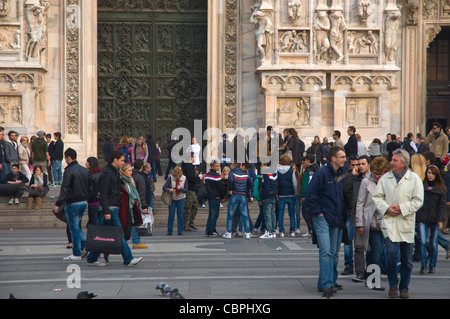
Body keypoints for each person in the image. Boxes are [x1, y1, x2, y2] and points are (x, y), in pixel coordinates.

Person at [372, 149, 424, 298]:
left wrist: (402, 208)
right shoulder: (385, 178)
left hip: (406, 222)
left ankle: (404, 287)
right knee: (391, 253)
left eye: (395, 161)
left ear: (403, 163)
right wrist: (387, 208)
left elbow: (418, 200)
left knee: (407, 259)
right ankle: (393, 284)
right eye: (392, 160)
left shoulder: (414, 179)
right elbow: (377, 198)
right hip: (390, 222)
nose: (391, 163)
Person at [304, 146, 348, 298]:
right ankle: (327, 284)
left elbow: (342, 196)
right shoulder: (322, 173)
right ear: (333, 159)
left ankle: (326, 281)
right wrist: (319, 213)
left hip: (336, 218)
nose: (345, 159)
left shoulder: (341, 173)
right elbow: (310, 195)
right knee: (326, 252)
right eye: (342, 157)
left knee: (334, 253)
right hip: (323, 217)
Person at [86, 150, 143, 267]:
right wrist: (106, 210)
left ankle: (92, 257)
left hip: (111, 207)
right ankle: (128, 258)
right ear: (115, 160)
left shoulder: (113, 173)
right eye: (122, 160)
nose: (123, 163)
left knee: (101, 234)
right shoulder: (108, 174)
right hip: (110, 208)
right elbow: (103, 193)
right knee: (119, 233)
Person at [354, 156, 390, 288]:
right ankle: (374, 280)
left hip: (385, 221)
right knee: (376, 251)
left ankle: (369, 278)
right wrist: (360, 224)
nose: (376, 176)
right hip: (371, 222)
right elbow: (360, 203)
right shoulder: (366, 182)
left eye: (379, 174)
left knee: (372, 251)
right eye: (374, 173)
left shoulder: (389, 181)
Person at [54, 148, 92, 261]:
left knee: (74, 228)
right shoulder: (84, 170)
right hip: (83, 202)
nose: (65, 160)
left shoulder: (69, 170)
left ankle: (76, 253)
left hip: (73, 202)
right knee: (77, 227)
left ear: (68, 157)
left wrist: (58, 203)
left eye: (65, 158)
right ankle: (85, 246)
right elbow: (90, 186)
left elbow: (65, 188)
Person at [416, 165, 447, 274]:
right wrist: (417, 217)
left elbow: (442, 206)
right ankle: (424, 265)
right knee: (423, 242)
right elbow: (417, 202)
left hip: (434, 218)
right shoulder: (421, 186)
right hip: (423, 217)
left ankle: (432, 265)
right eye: (428, 173)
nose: (430, 175)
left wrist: (440, 219)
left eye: (432, 173)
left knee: (433, 243)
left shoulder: (441, 188)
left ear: (436, 175)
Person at [346, 155, 371, 282]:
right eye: (358, 164)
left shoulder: (375, 179)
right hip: (358, 216)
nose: (360, 166)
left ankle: (372, 273)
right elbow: (346, 190)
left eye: (362, 164)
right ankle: (360, 272)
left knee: (373, 248)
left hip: (372, 217)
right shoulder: (356, 179)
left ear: (369, 165)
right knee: (359, 247)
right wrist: (352, 176)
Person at [222, 162, 254, 239]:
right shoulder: (245, 173)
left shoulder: (232, 173)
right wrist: (247, 189)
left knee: (230, 214)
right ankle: (247, 233)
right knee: (245, 214)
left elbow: (230, 181)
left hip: (235, 194)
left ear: (233, 166)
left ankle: (229, 232)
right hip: (243, 194)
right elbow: (251, 183)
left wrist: (230, 189)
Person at [121, 163, 146, 249]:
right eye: (129, 171)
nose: (131, 172)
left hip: (132, 207)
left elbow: (135, 193)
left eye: (131, 170)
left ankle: (135, 241)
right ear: (123, 172)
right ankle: (130, 241)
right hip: (125, 208)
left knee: (132, 225)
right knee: (126, 226)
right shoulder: (121, 182)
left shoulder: (130, 181)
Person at [162, 166, 188, 236]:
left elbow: (186, 190)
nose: (177, 178)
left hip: (181, 198)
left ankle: (180, 231)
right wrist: (169, 190)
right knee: (171, 215)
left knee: (180, 215)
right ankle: (169, 231)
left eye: (178, 176)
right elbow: (164, 187)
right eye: (175, 176)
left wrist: (181, 188)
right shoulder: (170, 178)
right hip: (173, 198)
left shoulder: (184, 178)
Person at [277, 154, 298, 237]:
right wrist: (295, 193)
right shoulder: (291, 171)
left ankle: (281, 231)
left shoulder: (277, 170)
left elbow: (276, 183)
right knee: (291, 213)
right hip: (290, 193)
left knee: (281, 213)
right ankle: (292, 230)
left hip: (281, 194)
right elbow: (294, 183)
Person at [181, 152, 202, 232]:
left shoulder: (187, 166)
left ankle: (190, 223)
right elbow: (191, 178)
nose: (195, 158)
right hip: (190, 189)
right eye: (194, 156)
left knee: (194, 206)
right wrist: (198, 178)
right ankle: (186, 224)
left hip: (191, 189)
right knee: (189, 207)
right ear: (191, 157)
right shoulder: (189, 166)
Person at [205, 160, 226, 236]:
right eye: (217, 166)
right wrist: (223, 197)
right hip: (216, 196)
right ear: (212, 166)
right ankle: (212, 230)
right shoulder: (216, 176)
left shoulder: (207, 175)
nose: (218, 167)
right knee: (214, 215)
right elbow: (220, 187)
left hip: (210, 196)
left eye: (219, 165)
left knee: (211, 214)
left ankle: (208, 229)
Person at [299, 154, 319, 238]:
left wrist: (303, 195)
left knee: (305, 213)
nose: (304, 162)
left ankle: (310, 229)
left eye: (305, 161)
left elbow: (304, 183)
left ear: (308, 161)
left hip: (308, 195)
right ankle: (314, 230)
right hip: (316, 194)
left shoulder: (307, 170)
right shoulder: (318, 168)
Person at [258, 161, 278, 239]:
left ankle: (269, 232)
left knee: (267, 214)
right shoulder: (274, 173)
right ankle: (273, 231)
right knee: (272, 213)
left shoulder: (266, 173)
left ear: (265, 164)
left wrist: (263, 197)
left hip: (268, 196)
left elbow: (266, 187)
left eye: (262, 164)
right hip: (273, 195)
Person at [86, 157, 102, 226]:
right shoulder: (101, 174)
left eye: (87, 162)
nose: (85, 164)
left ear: (90, 164)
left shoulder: (89, 175)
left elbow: (89, 190)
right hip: (101, 203)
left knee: (93, 224)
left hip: (92, 202)